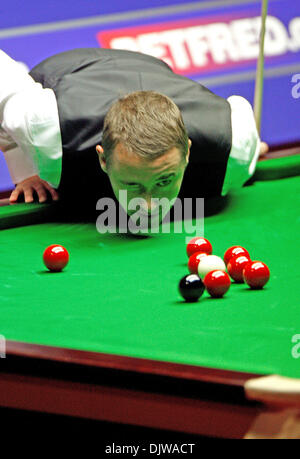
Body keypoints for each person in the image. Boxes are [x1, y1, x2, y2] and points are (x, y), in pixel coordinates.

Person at [0, 48, 268, 220]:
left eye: (164, 181)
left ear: (187, 151)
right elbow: (5, 84)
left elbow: (242, 143)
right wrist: (24, 167)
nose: (149, 207)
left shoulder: (232, 149)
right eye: (132, 185)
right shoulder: (47, 133)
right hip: (68, 69)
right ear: (103, 159)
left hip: (150, 67)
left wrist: (250, 148)